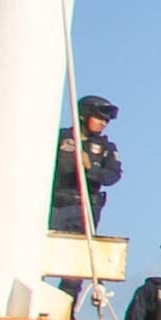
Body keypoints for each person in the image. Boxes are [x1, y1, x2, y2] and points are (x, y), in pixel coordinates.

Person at [50, 94, 120, 232]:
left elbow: (113, 176)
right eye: (99, 118)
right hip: (55, 206)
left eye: (106, 120)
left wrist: (90, 169)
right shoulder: (59, 137)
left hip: (85, 210)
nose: (103, 123)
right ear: (84, 115)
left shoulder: (106, 147)